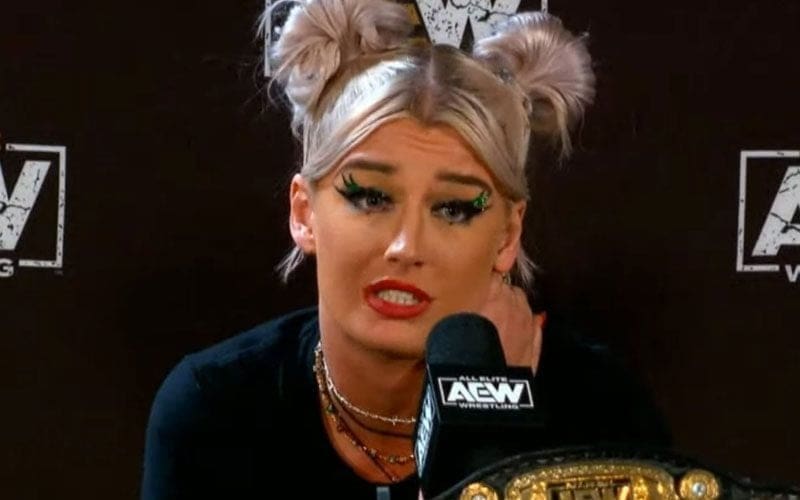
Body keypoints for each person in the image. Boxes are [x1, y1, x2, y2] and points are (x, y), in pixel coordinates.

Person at [140, 1, 670, 498]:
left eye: (454, 209)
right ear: (304, 213)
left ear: (507, 236)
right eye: (370, 197)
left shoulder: (601, 409)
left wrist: (491, 424)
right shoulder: (214, 409)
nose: (405, 246)